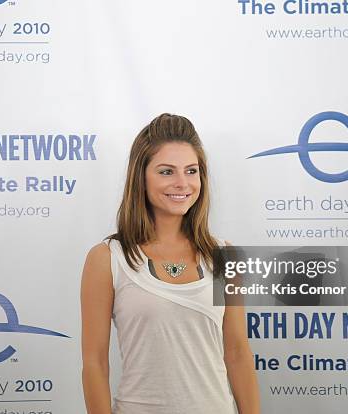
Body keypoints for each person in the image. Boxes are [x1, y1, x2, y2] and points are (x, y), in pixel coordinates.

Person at [80, 113, 260, 413]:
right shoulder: (107, 259)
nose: (182, 183)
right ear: (141, 176)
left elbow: (238, 352)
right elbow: (94, 364)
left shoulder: (225, 255)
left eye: (191, 171)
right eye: (166, 171)